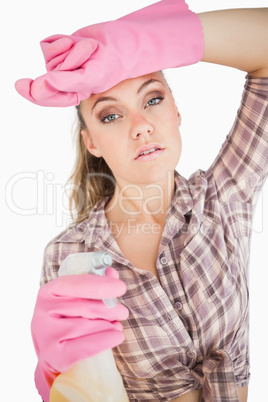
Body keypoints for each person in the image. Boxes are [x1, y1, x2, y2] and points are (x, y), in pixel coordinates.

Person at [15, 1, 268, 401]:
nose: (141, 127)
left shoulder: (223, 198)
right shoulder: (67, 256)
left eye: (152, 99)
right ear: (91, 142)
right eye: (111, 115)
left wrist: (147, 42)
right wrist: (52, 380)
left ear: (177, 111)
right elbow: (85, 392)